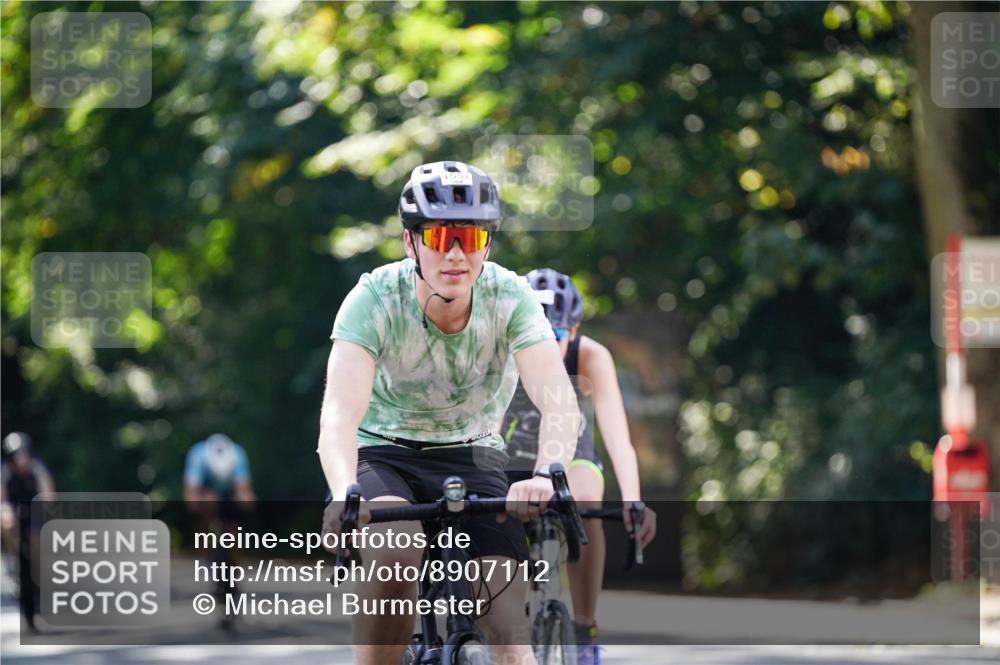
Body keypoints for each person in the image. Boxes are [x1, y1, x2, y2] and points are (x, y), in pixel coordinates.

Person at [317, 160, 581, 665]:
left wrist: (548, 472)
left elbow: (558, 400)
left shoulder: (511, 297)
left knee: (508, 631)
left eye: (471, 237)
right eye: (440, 236)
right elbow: (339, 415)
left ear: (488, 244)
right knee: (395, 556)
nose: (456, 254)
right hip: (383, 454)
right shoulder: (372, 298)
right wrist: (343, 489)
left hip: (475, 457)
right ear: (410, 242)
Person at [500, 268, 657, 665]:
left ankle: (585, 628)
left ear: (573, 330)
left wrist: (634, 499)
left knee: (584, 500)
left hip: (573, 449)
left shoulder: (589, 354)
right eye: (533, 334)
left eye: (553, 337)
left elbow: (617, 435)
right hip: (514, 448)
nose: (543, 346)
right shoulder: (502, 347)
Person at [183, 432, 255, 629]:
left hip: (229, 497)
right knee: (205, 512)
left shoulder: (237, 455)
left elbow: (244, 489)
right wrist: (196, 504)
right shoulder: (198, 456)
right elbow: (191, 490)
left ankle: (234, 566)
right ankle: (208, 556)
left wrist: (246, 501)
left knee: (233, 532)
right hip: (207, 495)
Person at [1, 432, 55, 633]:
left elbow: (48, 494)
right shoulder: (5, 471)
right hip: (14, 516)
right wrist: (6, 513)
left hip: (35, 513)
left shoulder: (38, 467)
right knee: (6, 521)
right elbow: (1, 499)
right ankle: (11, 557)